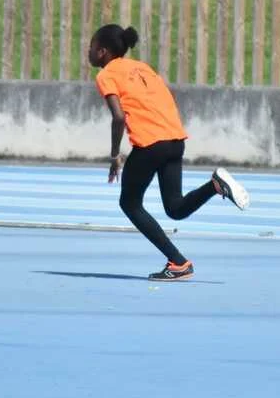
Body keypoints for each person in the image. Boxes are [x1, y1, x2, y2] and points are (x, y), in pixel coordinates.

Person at [88, 23, 250, 281]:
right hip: (175, 138)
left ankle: (178, 261)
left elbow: (118, 117)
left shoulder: (106, 75)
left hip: (151, 143)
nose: (89, 51)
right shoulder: (142, 67)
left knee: (129, 203)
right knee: (175, 208)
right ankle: (215, 186)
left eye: (91, 46)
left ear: (102, 52)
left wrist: (114, 155)